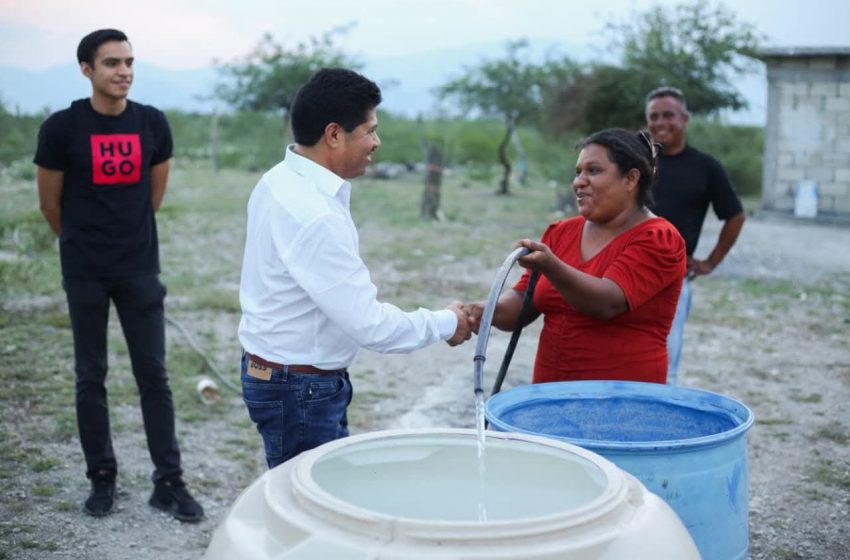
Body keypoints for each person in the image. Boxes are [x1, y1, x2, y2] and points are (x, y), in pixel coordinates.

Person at [237, 68, 472, 469]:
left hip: (283, 374)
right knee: (312, 510)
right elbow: (371, 326)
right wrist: (447, 322)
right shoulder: (314, 214)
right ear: (333, 134)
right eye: (369, 130)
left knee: (311, 495)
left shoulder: (278, 179)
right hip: (300, 388)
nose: (376, 142)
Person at [33, 29, 203, 522]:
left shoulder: (152, 123)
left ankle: (168, 482)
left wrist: (128, 243)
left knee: (154, 376)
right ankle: (101, 478)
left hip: (139, 270)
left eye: (129, 62)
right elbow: (50, 204)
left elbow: (154, 197)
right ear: (87, 69)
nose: (123, 71)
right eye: (111, 63)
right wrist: (85, 243)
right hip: (85, 271)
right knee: (92, 376)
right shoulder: (62, 128)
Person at [464, 129, 686, 384]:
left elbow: (607, 303)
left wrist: (552, 266)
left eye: (593, 171)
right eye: (578, 172)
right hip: (550, 397)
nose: (579, 181)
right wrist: (486, 310)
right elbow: (524, 301)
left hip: (622, 401)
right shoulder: (561, 233)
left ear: (631, 179)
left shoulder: (659, 239)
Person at [645, 87, 745, 384]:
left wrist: (710, 262)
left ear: (685, 119)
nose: (660, 122)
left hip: (673, 279)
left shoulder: (705, 167)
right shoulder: (635, 162)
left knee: (665, 364)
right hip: (622, 274)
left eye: (668, 115)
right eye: (653, 116)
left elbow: (735, 215)